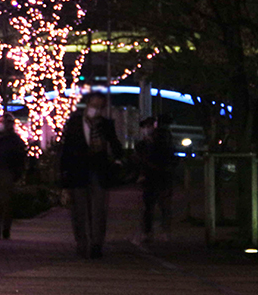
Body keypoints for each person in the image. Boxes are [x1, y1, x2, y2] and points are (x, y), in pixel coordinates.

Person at [59, 91, 123, 258]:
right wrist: (64, 174)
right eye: (94, 105)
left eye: (100, 107)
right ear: (87, 104)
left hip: (98, 172)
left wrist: (117, 159)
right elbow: (66, 148)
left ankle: (96, 244)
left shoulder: (106, 124)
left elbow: (116, 145)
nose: (97, 109)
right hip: (78, 171)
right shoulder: (75, 122)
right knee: (79, 211)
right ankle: (82, 243)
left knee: (98, 210)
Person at [0, 112, 27, 239]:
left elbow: (20, 158)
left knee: (6, 203)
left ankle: (5, 228)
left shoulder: (15, 140)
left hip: (7, 172)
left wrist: (16, 174)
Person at [134, 114, 176, 243]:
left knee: (163, 205)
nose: (148, 129)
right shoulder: (143, 144)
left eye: (150, 126)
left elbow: (170, 156)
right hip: (151, 177)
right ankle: (149, 232)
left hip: (160, 175)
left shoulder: (163, 141)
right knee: (150, 206)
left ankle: (163, 232)